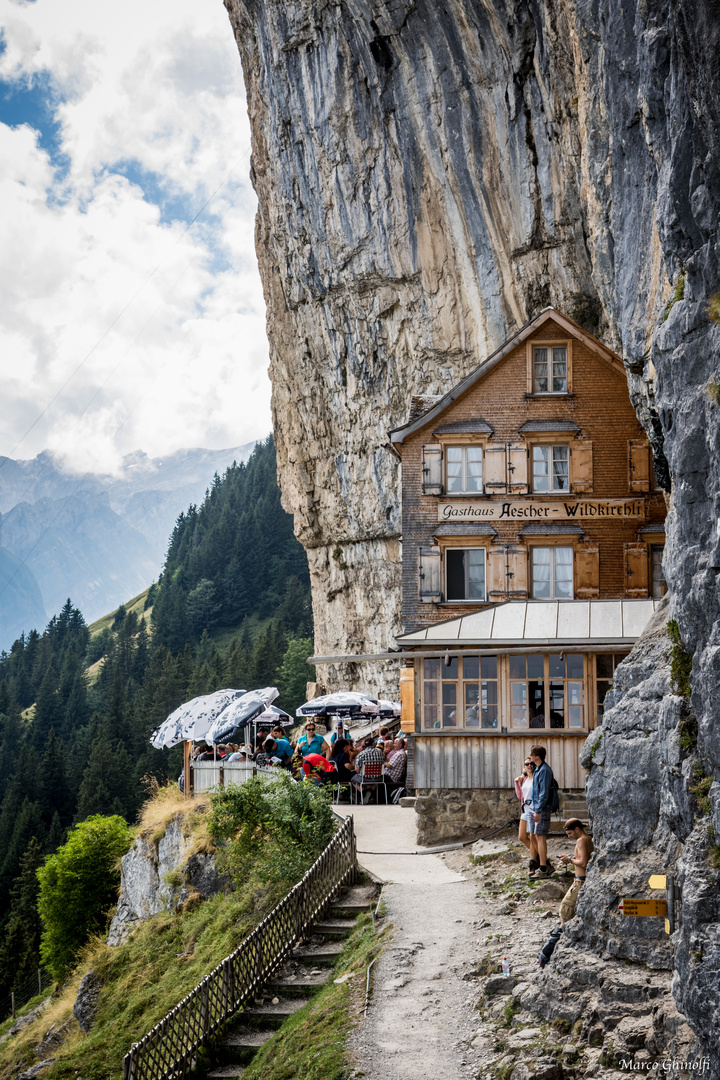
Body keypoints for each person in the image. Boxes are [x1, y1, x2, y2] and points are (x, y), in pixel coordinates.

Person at [558, 819, 594, 924]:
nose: (569, 836)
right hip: (580, 880)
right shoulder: (588, 839)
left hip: (581, 881)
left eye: (570, 833)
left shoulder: (581, 840)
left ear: (577, 829)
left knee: (566, 909)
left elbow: (583, 863)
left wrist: (569, 860)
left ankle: (558, 937)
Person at [528, 745, 554, 879]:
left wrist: (538, 810)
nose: (530, 756)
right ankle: (544, 863)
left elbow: (544, 792)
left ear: (537, 756)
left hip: (542, 808)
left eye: (532, 754)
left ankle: (544, 868)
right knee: (533, 835)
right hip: (535, 806)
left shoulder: (544, 770)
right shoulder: (538, 768)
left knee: (540, 836)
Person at [514, 757, 536, 869]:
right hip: (525, 810)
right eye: (527, 764)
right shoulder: (525, 779)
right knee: (522, 837)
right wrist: (517, 783)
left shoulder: (537, 777)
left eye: (531, 763)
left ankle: (536, 857)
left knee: (533, 837)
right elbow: (519, 796)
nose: (529, 765)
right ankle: (538, 855)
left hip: (534, 810)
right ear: (524, 766)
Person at [351, 737, 385, 803]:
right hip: (378, 778)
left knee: (353, 780)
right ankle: (371, 795)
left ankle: (364, 792)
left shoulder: (361, 754)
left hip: (365, 778)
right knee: (372, 782)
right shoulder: (380, 753)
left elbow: (357, 769)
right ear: (373, 744)